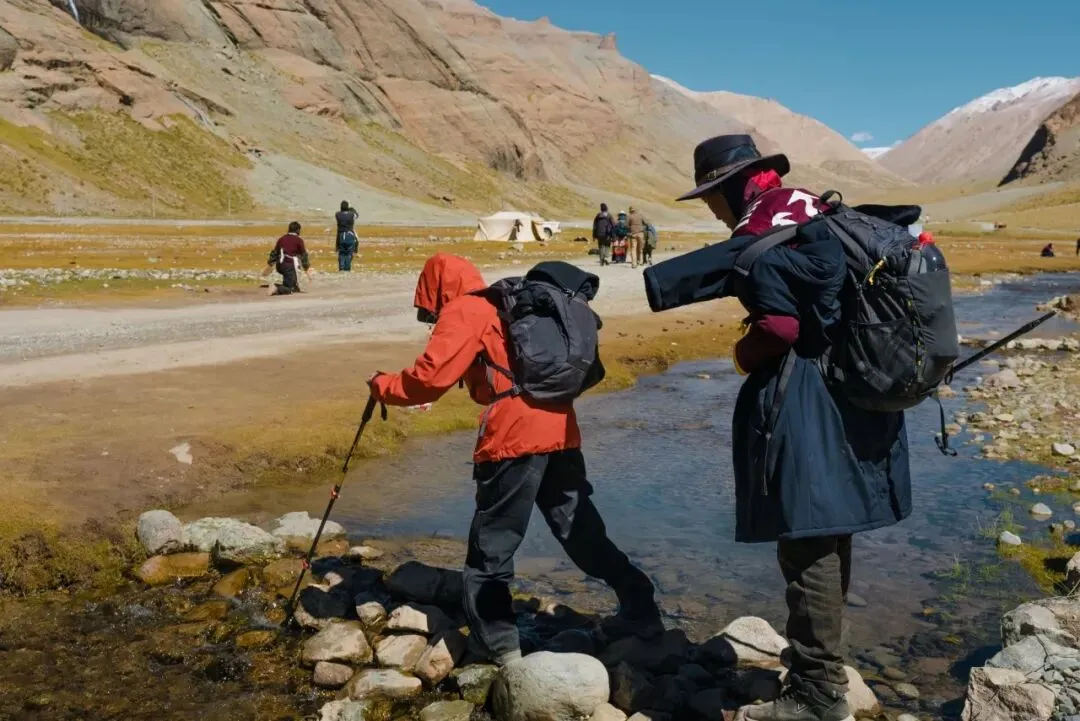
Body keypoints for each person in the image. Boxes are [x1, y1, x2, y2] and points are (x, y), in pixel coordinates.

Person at [674, 134, 911, 721]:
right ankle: (824, 668)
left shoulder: (763, 227)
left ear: (730, 187)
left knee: (807, 538)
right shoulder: (813, 209)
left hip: (808, 396)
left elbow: (780, 327)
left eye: (711, 196)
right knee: (833, 526)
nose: (712, 209)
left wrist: (742, 355)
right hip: (856, 386)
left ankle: (816, 693)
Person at [366, 253, 663, 666]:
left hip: (513, 436)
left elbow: (429, 379)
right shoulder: (508, 305)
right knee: (580, 531)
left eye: (427, 305)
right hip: (560, 429)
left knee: (492, 547)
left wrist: (382, 386)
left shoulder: (465, 309)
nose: (428, 315)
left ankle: (499, 648)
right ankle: (641, 607)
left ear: (435, 289)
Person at [266, 221, 311, 295]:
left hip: (280, 266)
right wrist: (306, 267)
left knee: (292, 283)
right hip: (289, 265)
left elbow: (274, 253)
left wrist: (270, 264)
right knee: (290, 289)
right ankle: (276, 289)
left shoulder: (281, 239)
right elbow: (304, 255)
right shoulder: (298, 240)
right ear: (298, 230)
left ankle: (289, 284)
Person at [335, 201, 359, 272]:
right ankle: (347, 269)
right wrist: (351, 209)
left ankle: (341, 268)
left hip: (341, 236)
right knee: (349, 253)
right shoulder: (352, 215)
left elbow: (341, 214)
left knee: (342, 253)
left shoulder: (337, 215)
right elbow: (356, 215)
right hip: (350, 235)